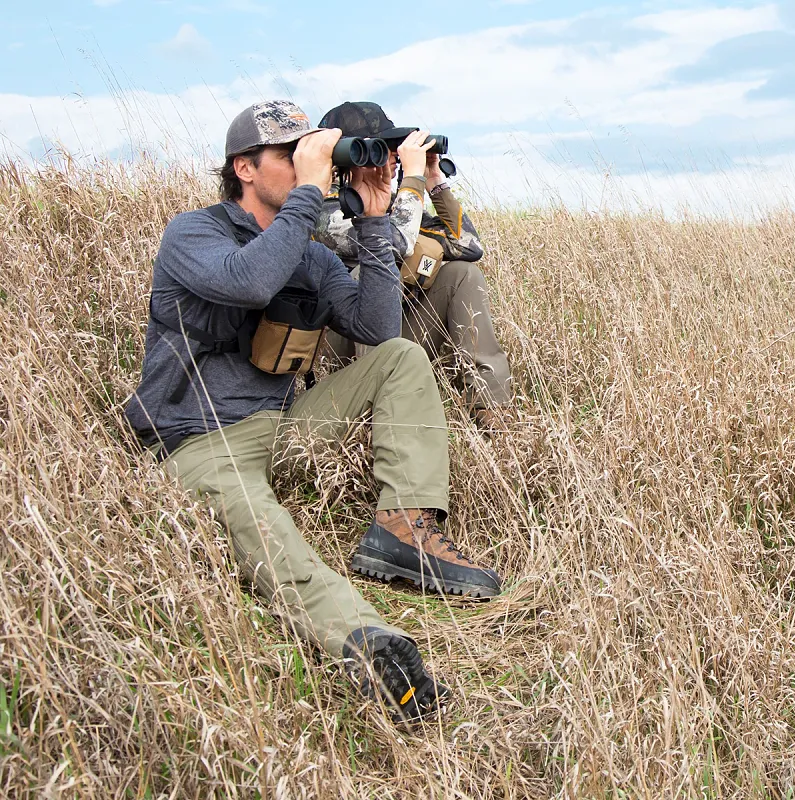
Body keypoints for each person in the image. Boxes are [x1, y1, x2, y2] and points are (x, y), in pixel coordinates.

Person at [124, 100, 502, 722]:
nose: (312, 165)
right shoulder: (193, 233)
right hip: (201, 441)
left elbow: (376, 329)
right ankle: (372, 646)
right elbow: (248, 280)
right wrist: (308, 193)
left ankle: (401, 528)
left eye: (313, 152)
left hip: (285, 428)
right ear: (244, 168)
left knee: (402, 357)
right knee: (268, 531)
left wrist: (378, 221)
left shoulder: (314, 253)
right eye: (291, 155)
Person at [314, 101, 512, 429]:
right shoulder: (322, 212)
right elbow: (395, 245)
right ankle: (373, 420)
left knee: (461, 273)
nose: (393, 159)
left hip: (394, 341)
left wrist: (434, 179)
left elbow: (469, 247)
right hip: (340, 360)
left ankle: (492, 409)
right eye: (382, 149)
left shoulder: (396, 203)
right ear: (348, 157)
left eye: (394, 150)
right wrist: (413, 179)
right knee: (369, 270)